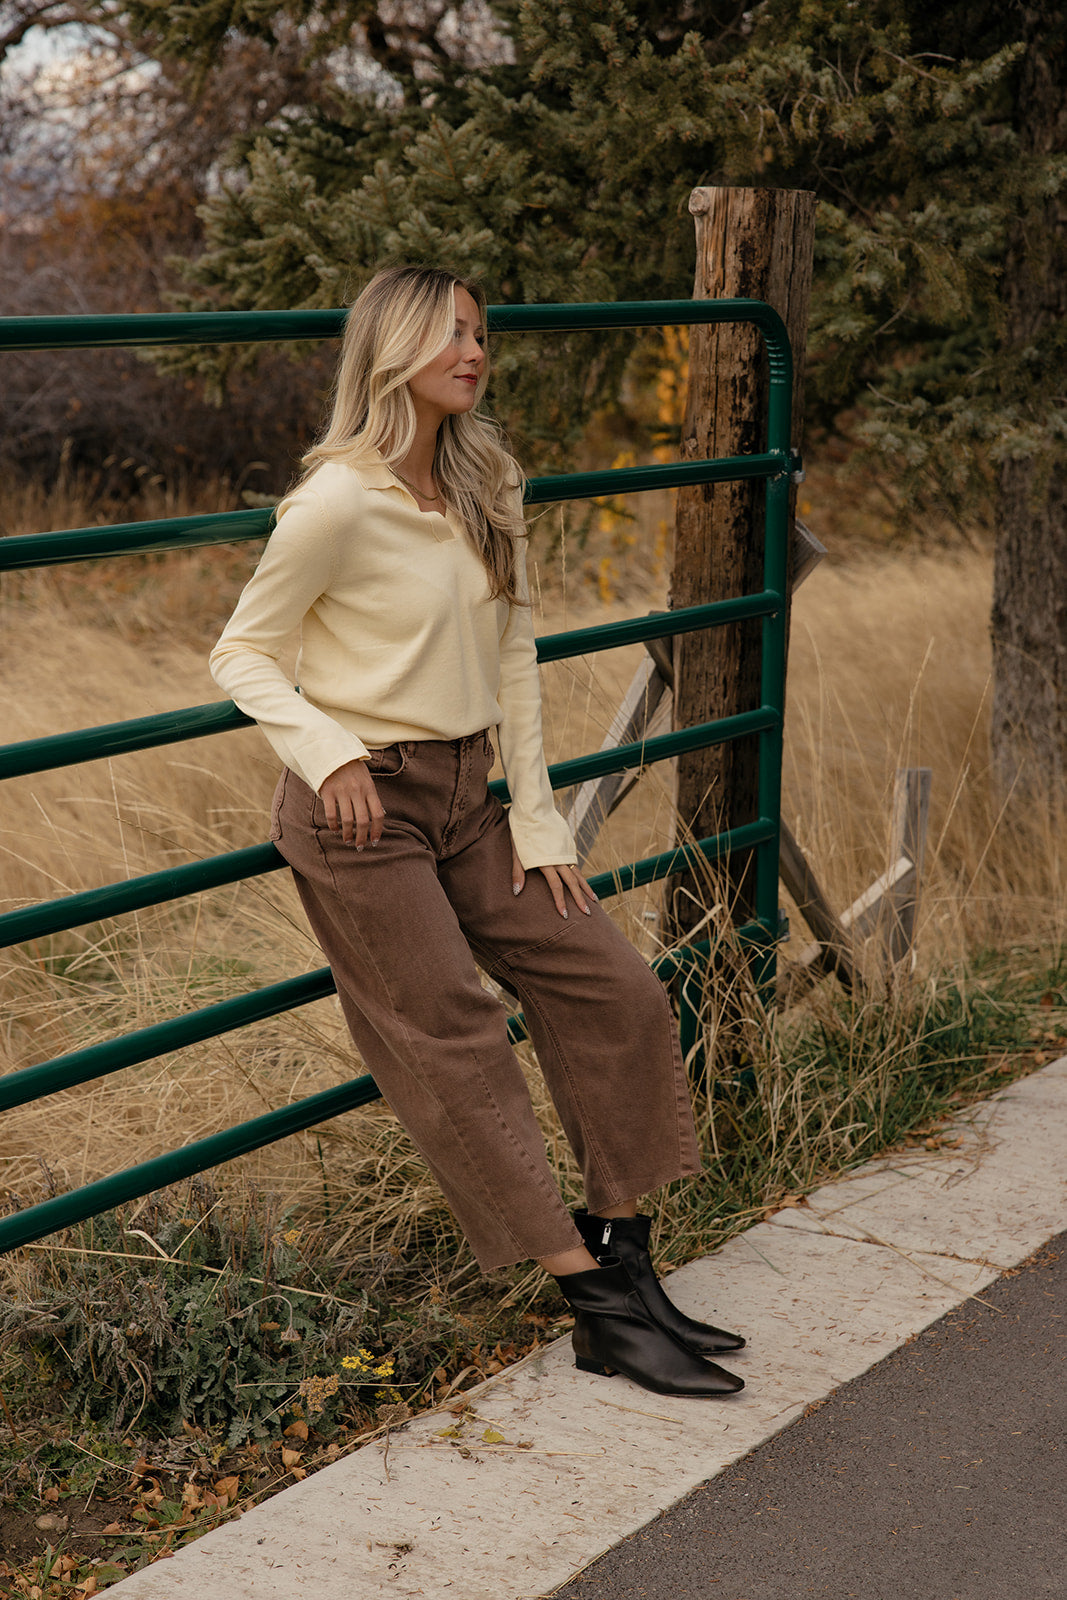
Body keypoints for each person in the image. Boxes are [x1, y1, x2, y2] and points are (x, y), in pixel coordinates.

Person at [209, 265, 745, 1399]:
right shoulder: (335, 502)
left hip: (470, 799)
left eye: (480, 334)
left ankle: (624, 1255)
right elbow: (241, 652)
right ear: (392, 346)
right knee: (457, 1034)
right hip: (360, 811)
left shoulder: (485, 482)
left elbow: (515, 658)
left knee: (615, 989)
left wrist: (540, 825)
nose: (474, 351)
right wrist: (327, 752)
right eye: (451, 332)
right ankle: (592, 1304)